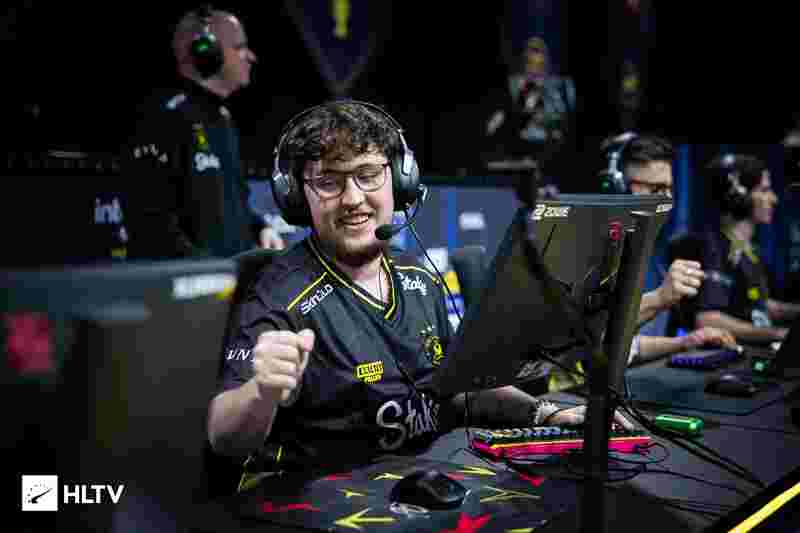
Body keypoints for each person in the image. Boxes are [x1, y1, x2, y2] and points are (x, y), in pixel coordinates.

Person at [206, 101, 631, 487]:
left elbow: (457, 391)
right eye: (328, 182)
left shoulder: (418, 276)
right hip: (329, 501)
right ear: (298, 197)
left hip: (428, 482)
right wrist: (262, 392)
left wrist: (545, 413)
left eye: (368, 175)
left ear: (401, 180)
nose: (352, 198)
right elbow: (224, 437)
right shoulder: (277, 294)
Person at [122, 6, 283, 260]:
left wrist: (260, 227)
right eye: (240, 47)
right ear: (207, 52)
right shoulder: (165, 119)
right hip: (193, 281)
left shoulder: (223, 118)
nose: (251, 56)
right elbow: (152, 225)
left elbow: (231, 202)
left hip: (227, 278)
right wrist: (206, 272)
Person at [690, 153, 800, 344]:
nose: (773, 199)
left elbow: (759, 305)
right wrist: (777, 334)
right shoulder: (715, 247)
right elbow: (707, 319)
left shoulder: (750, 250)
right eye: (764, 190)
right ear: (739, 196)